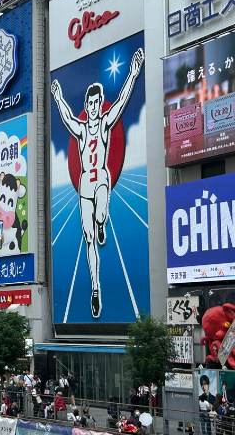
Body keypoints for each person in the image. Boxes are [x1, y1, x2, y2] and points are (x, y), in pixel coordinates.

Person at [50, 47, 144, 318]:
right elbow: (67, 117)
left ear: (99, 102)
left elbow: (122, 102)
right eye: (89, 104)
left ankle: (102, 221)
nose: (92, 107)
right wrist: (57, 97)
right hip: (84, 185)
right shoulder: (80, 130)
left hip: (101, 178)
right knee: (89, 239)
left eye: (96, 103)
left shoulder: (104, 125)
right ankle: (95, 288)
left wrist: (133, 73)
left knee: (101, 215)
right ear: (86, 106)